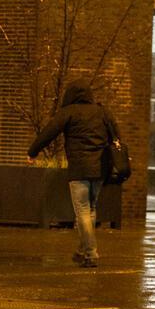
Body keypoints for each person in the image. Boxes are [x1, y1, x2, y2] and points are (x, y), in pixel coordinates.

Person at [27, 78, 119, 268]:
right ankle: (82, 250)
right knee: (90, 209)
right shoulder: (102, 112)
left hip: (79, 169)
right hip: (100, 169)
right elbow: (116, 135)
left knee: (82, 211)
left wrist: (33, 152)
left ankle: (91, 253)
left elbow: (49, 132)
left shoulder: (68, 112)